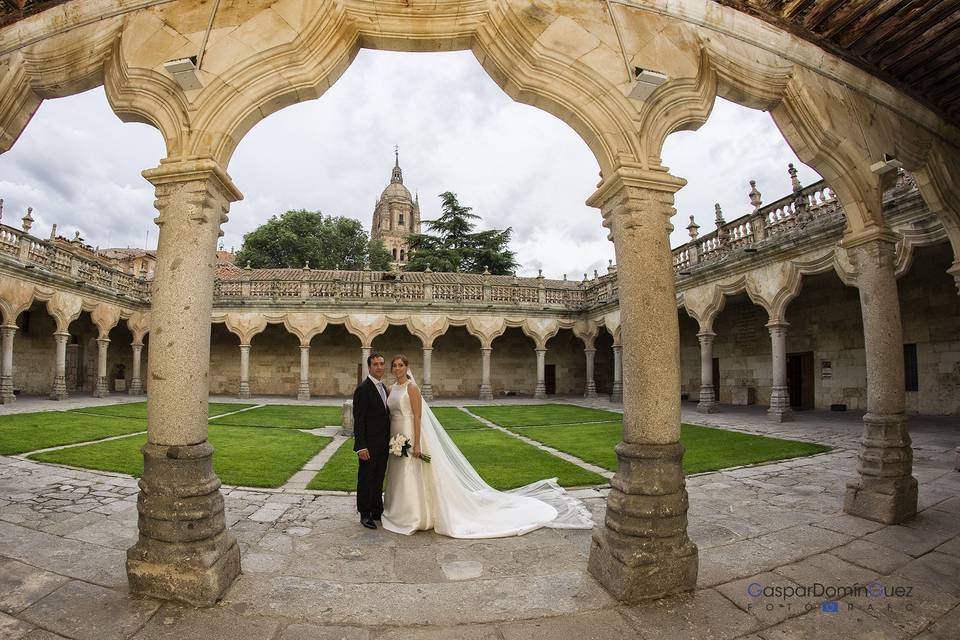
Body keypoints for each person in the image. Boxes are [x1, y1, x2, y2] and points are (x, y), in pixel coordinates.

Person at [381, 354, 593, 538]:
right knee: (399, 474)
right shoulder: (391, 389)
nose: (398, 368)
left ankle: (417, 515)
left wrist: (417, 443)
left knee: (415, 474)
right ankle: (398, 510)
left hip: (411, 434)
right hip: (396, 437)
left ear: (407, 367)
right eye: (395, 365)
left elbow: (418, 416)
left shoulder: (413, 388)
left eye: (401, 365)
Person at [352, 352, 391, 530]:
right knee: (366, 478)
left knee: (378, 477)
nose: (379, 367)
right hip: (368, 445)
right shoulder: (363, 389)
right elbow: (359, 420)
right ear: (369, 367)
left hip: (383, 444)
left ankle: (376, 509)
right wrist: (361, 446)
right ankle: (365, 513)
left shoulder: (383, 387)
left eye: (382, 363)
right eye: (375, 364)